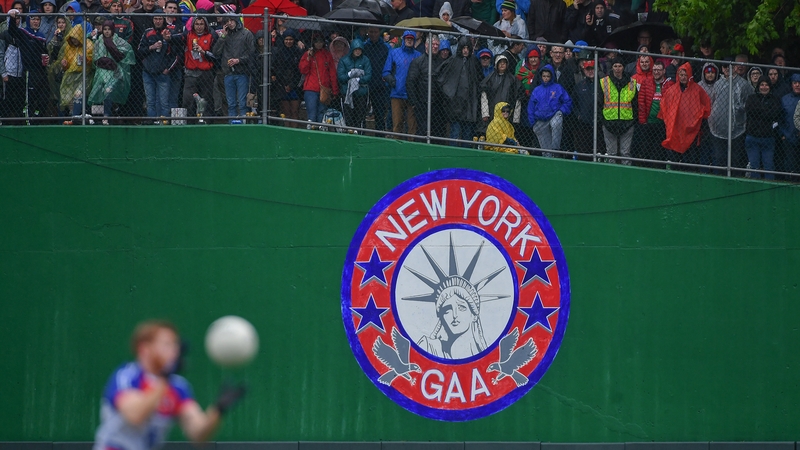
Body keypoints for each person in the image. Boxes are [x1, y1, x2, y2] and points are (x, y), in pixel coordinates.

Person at [93, 320, 245, 449]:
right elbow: (135, 415)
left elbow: (198, 434)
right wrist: (164, 379)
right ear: (144, 349)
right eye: (166, 344)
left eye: (175, 345)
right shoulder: (127, 375)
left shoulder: (178, 386)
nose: (174, 351)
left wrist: (218, 409)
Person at [658, 63, 711, 167]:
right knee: (674, 156)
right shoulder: (672, 90)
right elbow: (664, 105)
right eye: (681, 75)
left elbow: (706, 105)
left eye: (685, 75)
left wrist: (698, 118)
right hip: (675, 129)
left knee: (690, 158)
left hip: (691, 130)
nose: (683, 77)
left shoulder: (697, 90)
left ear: (690, 75)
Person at [417, 286, 488, 359]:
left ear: (474, 316)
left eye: (462, 308)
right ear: (442, 317)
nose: (455, 315)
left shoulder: (487, 358)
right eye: (447, 310)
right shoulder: (428, 347)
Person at [708, 59, 753, 173]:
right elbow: (712, 102)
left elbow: (749, 103)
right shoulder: (717, 84)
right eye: (725, 66)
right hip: (718, 129)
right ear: (722, 69)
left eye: (730, 66)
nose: (728, 69)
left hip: (737, 129)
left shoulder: (743, 84)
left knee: (736, 158)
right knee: (719, 157)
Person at [436, 35, 481, 146]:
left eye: (467, 48)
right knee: (454, 133)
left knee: (467, 135)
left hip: (469, 104)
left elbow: (479, 80)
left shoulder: (474, 61)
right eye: (463, 48)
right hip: (455, 104)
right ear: (460, 48)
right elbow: (440, 76)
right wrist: (449, 95)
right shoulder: (453, 60)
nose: (465, 51)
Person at [88, 20, 134, 122]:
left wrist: (114, 57)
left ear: (113, 30)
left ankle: (106, 115)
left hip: (115, 71)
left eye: (109, 29)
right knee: (98, 92)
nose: (107, 32)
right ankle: (97, 117)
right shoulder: (99, 41)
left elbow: (127, 51)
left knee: (108, 90)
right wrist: (102, 61)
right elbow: (95, 56)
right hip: (101, 72)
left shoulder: (118, 41)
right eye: (105, 29)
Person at [212, 14, 254, 121]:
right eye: (227, 21)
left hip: (242, 72)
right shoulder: (224, 36)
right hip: (228, 73)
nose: (229, 23)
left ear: (236, 21)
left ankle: (243, 124)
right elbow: (215, 52)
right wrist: (223, 37)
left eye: (232, 20)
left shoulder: (246, 33)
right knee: (231, 103)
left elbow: (252, 53)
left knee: (242, 102)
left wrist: (238, 60)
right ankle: (232, 124)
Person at [138, 9, 178, 120]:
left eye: (160, 18)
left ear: (164, 19)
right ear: (153, 20)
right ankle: (151, 123)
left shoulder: (169, 32)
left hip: (163, 73)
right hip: (148, 72)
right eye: (155, 18)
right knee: (150, 101)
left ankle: (163, 124)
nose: (158, 21)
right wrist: (152, 47)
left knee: (164, 102)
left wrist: (168, 69)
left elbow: (176, 54)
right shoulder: (147, 32)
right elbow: (139, 51)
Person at [743, 75, 782, 180]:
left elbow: (775, 113)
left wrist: (760, 111)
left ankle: (769, 189)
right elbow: (750, 111)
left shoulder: (775, 99)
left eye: (766, 85)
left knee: (769, 166)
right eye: (762, 85)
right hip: (752, 137)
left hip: (768, 137)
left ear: (770, 86)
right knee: (754, 166)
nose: (764, 87)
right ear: (758, 86)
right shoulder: (751, 98)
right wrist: (766, 111)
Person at [382, 30, 420, 138]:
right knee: (397, 124)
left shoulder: (418, 55)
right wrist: (392, 81)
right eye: (407, 38)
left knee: (412, 125)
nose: (409, 40)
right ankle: (396, 147)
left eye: (411, 39)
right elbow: (386, 71)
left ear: (414, 40)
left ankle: (411, 147)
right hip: (397, 93)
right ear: (403, 39)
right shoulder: (394, 53)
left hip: (412, 95)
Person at [528, 64, 572, 157]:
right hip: (540, 119)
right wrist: (533, 122)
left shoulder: (558, 87)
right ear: (541, 76)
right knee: (546, 151)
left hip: (553, 115)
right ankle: (549, 157)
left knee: (557, 122)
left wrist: (561, 111)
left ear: (552, 76)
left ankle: (556, 149)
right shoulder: (537, 90)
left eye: (548, 76)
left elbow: (567, 101)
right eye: (544, 76)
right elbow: (531, 106)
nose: (546, 78)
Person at [599, 59, 637, 165]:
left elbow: (635, 104)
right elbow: (599, 103)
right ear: (612, 67)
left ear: (623, 67)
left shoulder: (632, 82)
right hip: (609, 121)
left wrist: (633, 120)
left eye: (620, 65)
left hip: (627, 121)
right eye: (615, 66)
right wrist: (603, 120)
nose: (617, 68)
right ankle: (612, 177)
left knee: (625, 153)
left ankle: (627, 176)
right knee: (611, 154)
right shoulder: (604, 82)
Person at [406, 35, 441, 138]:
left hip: (437, 105)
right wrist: (414, 103)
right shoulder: (418, 62)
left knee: (437, 132)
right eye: (433, 44)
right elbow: (410, 82)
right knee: (422, 130)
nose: (435, 47)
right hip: (422, 103)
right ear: (426, 45)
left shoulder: (441, 62)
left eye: (437, 45)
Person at [56, 23, 93, 118]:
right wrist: (64, 65)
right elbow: (67, 62)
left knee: (78, 94)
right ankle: (70, 116)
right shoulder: (68, 46)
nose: (74, 40)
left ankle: (74, 117)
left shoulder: (88, 44)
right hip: (71, 75)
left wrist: (86, 60)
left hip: (84, 75)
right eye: (72, 38)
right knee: (67, 97)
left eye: (76, 37)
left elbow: (93, 61)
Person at [182, 15, 216, 119]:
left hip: (205, 72)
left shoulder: (211, 36)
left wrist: (203, 52)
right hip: (190, 72)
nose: (199, 27)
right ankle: (189, 121)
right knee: (188, 99)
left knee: (207, 99)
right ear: (193, 25)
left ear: (205, 25)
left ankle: (206, 121)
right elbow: (176, 41)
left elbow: (215, 56)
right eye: (197, 24)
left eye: (201, 24)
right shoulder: (187, 35)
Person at [300, 32, 338, 124]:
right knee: (312, 115)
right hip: (311, 89)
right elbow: (303, 70)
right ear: (313, 43)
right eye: (316, 42)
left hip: (324, 89)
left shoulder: (327, 55)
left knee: (322, 115)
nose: (318, 44)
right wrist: (308, 58)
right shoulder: (308, 54)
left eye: (320, 42)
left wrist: (334, 89)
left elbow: (332, 73)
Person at [480, 53, 522, 130]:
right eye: (500, 62)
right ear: (496, 64)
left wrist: (516, 118)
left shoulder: (513, 80)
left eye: (504, 62)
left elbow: (518, 98)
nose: (502, 64)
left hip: (507, 114)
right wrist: (485, 114)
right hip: (492, 113)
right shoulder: (490, 79)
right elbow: (484, 96)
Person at [337, 38, 371, 129]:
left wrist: (359, 80)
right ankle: (349, 135)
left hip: (361, 93)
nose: (357, 51)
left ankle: (359, 134)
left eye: (359, 49)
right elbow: (341, 77)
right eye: (356, 49)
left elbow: (368, 75)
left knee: (360, 118)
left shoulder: (365, 60)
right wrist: (349, 75)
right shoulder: (344, 60)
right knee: (348, 118)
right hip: (347, 93)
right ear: (352, 49)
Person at [272, 28, 302, 127]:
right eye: (286, 39)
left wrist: (292, 85)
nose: (288, 41)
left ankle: (295, 131)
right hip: (282, 85)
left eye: (291, 39)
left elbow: (299, 71)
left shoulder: (298, 52)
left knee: (294, 112)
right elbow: (277, 69)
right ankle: (287, 130)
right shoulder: (279, 52)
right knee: (286, 113)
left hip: (295, 86)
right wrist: (284, 84)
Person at [362, 26, 389, 132]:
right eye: (371, 32)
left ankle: (380, 135)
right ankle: (361, 132)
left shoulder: (385, 47)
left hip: (380, 86)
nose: (373, 34)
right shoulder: (364, 47)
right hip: (365, 84)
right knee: (362, 112)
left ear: (379, 33)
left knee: (380, 114)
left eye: (375, 32)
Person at [779, 74, 800, 175]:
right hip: (789, 137)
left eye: (799, 83)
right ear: (791, 84)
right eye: (795, 83)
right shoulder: (784, 99)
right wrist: (783, 134)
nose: (797, 85)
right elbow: (779, 118)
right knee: (790, 164)